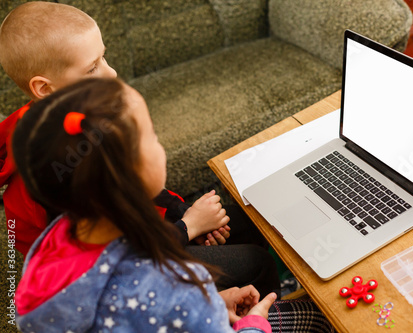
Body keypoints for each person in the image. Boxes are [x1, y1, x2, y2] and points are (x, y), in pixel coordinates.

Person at [0, 2, 279, 297]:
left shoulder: (80, 114)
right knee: (254, 264)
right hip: (113, 277)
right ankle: (260, 319)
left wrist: (187, 215)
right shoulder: (58, 179)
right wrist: (188, 228)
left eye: (103, 58)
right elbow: (117, 261)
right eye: (92, 67)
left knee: (250, 220)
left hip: (142, 228)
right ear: (44, 89)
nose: (111, 73)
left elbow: (136, 188)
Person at [12, 78, 333, 332]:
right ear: (132, 175)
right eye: (152, 136)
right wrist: (251, 324)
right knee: (320, 319)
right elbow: (167, 307)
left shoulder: (57, 237)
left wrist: (210, 303)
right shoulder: (178, 286)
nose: (159, 144)